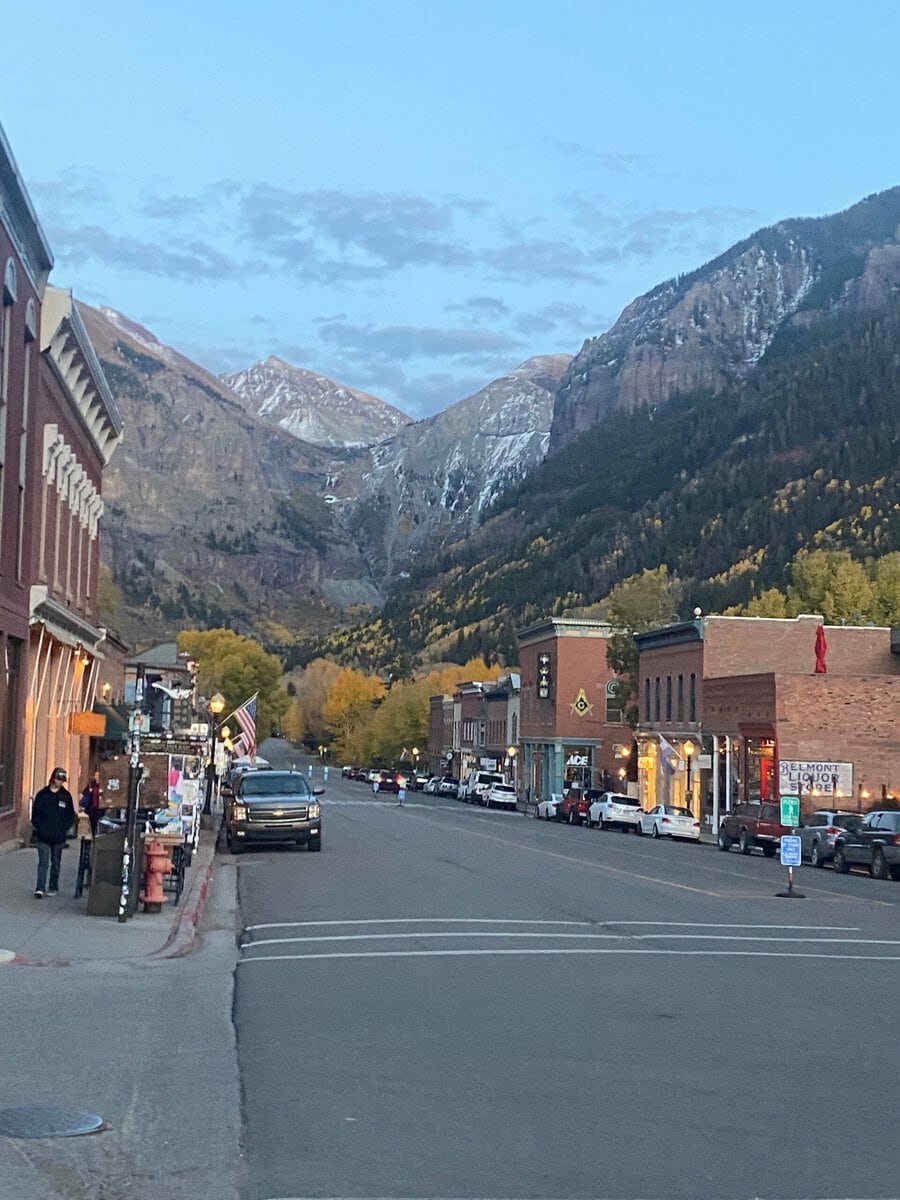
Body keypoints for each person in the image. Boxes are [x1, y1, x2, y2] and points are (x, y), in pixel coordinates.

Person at [31, 767, 76, 898]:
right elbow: (35, 814)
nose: (60, 782)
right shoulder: (43, 795)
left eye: (62, 780)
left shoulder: (65, 797)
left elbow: (70, 815)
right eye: (58, 779)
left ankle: (53, 886)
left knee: (56, 862)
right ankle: (40, 888)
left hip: (59, 837)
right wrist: (39, 827)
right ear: (53, 778)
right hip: (43, 836)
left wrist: (64, 829)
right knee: (43, 862)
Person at [80, 769, 103, 836]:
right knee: (92, 823)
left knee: (97, 822)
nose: (97, 777)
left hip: (99, 808)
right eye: (96, 775)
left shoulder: (102, 785)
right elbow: (85, 793)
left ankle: (95, 835)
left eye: (98, 775)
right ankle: (93, 835)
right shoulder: (91, 785)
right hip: (92, 808)